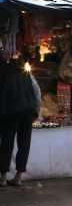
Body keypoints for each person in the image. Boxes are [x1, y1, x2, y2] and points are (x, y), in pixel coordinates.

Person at [0, 55, 41, 187]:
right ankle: (18, 177)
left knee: (7, 143)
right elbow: (37, 91)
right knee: (24, 143)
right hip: (28, 111)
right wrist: (37, 109)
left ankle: (3, 178)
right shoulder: (26, 72)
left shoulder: (3, 72)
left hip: (11, 112)